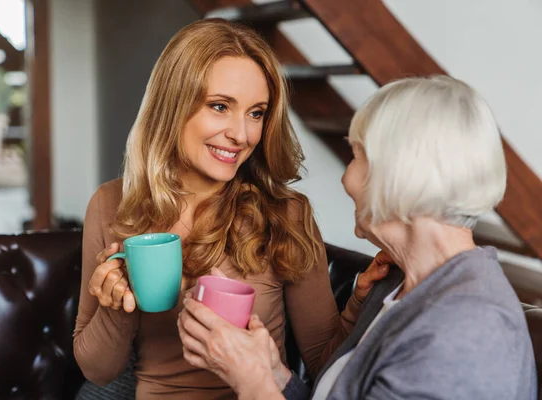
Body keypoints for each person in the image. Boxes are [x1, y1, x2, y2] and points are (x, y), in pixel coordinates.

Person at [73, 18, 389, 400]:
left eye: (256, 113)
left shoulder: (285, 213)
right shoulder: (111, 204)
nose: (242, 135)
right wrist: (115, 306)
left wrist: (358, 302)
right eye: (220, 106)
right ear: (172, 106)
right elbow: (98, 371)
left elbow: (324, 363)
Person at [178, 75, 538, 400]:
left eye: (357, 156)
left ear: (399, 175)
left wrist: (252, 382)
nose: (346, 177)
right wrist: (274, 371)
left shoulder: (466, 336)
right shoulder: (398, 282)